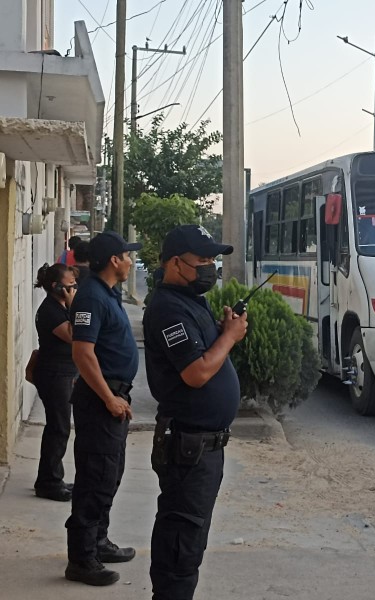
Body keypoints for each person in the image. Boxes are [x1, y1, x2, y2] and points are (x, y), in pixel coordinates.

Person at [143, 225, 247, 600]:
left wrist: (221, 333)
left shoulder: (191, 300)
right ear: (175, 263)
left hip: (204, 447)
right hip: (188, 446)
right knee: (180, 546)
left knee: (190, 541)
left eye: (213, 260)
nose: (210, 267)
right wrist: (230, 338)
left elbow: (204, 354)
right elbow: (197, 372)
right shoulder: (169, 307)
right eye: (202, 260)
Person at [64, 231, 142, 586]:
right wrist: (109, 398)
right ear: (114, 259)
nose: (131, 261)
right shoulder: (91, 297)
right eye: (128, 255)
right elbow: (83, 353)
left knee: (109, 475)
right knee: (94, 479)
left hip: (113, 399)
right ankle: (82, 559)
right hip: (100, 403)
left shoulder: (107, 293)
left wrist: (119, 397)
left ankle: (99, 541)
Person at [32, 263, 78, 502]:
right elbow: (74, 335)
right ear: (55, 286)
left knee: (58, 427)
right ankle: (49, 482)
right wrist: (73, 306)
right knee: (58, 428)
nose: (73, 290)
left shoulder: (59, 307)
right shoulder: (51, 310)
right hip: (54, 375)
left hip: (62, 374)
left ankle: (51, 476)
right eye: (69, 286)